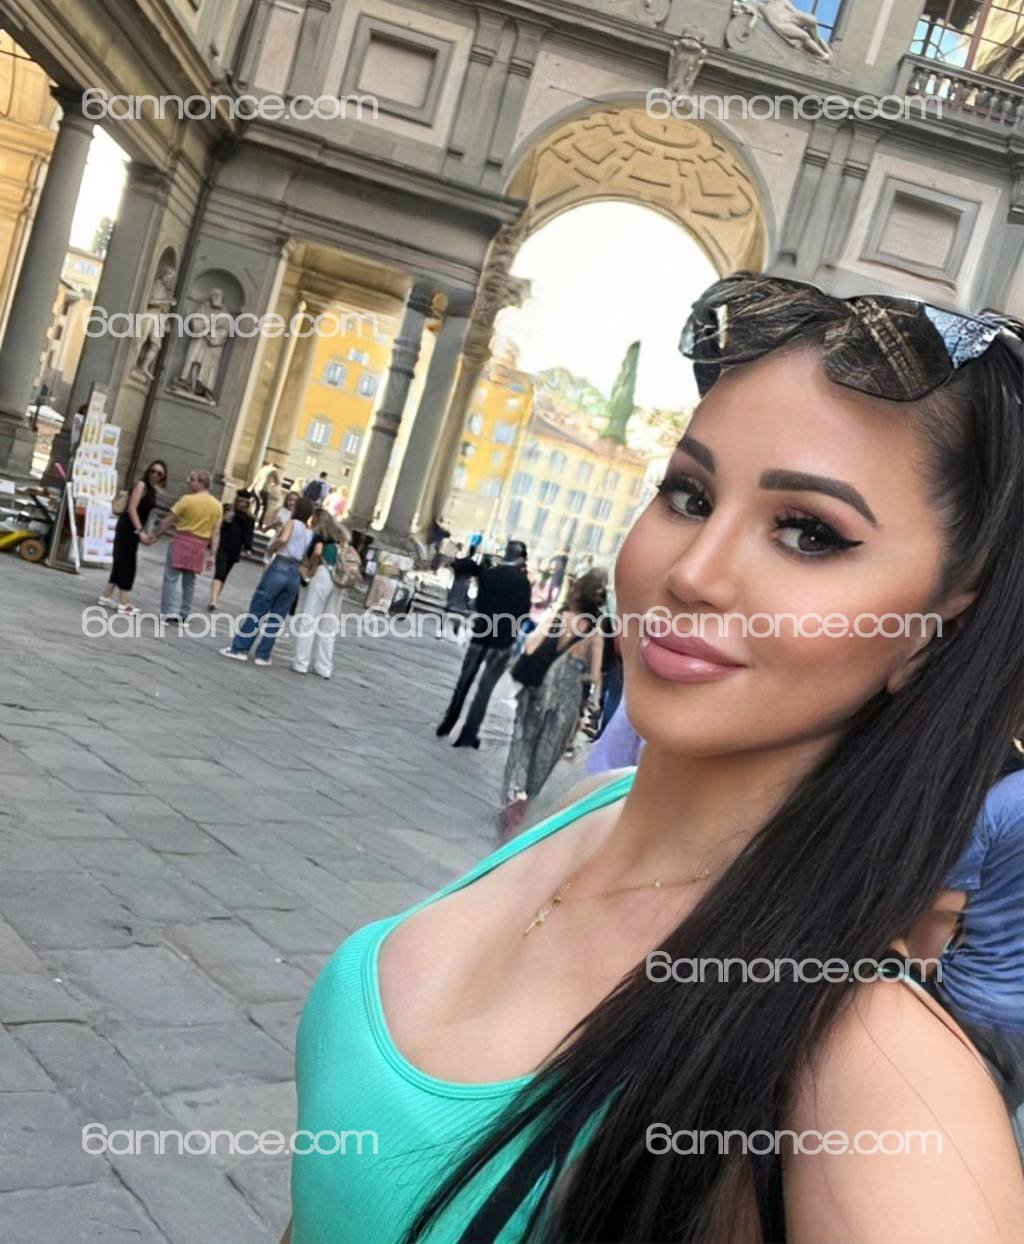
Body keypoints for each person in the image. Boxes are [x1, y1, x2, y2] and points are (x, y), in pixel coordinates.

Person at [284, 276, 1024, 1244]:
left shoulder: (885, 1088)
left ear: (936, 631)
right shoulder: (587, 806)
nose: (693, 573)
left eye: (809, 533)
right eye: (689, 494)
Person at [501, 570, 607, 835]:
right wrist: (584, 685)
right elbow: (595, 676)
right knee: (548, 751)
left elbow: (530, 648)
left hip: (540, 690)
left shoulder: (557, 617)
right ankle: (528, 802)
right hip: (568, 698)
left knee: (524, 741)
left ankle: (513, 796)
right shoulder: (596, 631)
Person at [435, 540, 532, 749]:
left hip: (481, 634)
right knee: (484, 690)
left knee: (464, 682)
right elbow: (524, 612)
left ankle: (447, 723)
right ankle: (469, 733)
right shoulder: (523, 582)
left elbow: (479, 603)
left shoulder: (491, 574)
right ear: (521, 558)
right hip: (502, 642)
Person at [220, 496, 315, 666]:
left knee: (259, 608)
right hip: (294, 571)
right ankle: (263, 654)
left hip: (281, 564)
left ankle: (240, 648)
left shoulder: (292, 523)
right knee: (278, 616)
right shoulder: (310, 531)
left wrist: (271, 549)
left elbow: (283, 539)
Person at [291, 512, 362, 679]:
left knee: (309, 618)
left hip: (323, 574)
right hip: (339, 578)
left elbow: (317, 553)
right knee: (329, 623)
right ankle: (324, 667)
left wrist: (310, 570)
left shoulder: (320, 535)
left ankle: (301, 663)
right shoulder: (342, 538)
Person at [151, 468, 222, 622]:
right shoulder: (217, 506)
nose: (189, 482)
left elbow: (168, 520)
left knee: (171, 578)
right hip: (200, 545)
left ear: (201, 483)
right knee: (189, 581)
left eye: (192, 479)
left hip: (182, 540)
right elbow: (216, 532)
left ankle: (167, 612)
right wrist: (212, 554)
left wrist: (156, 534)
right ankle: (185, 613)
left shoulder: (187, 500)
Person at [98, 459, 166, 615]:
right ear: (148, 471)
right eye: (153, 471)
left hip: (134, 528)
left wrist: (144, 531)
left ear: (163, 477)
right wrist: (140, 531)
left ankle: (106, 596)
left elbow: (145, 513)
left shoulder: (152, 490)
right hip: (128, 527)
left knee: (121, 562)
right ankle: (124, 602)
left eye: (159, 473)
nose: (155, 475)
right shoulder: (141, 485)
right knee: (128, 564)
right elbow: (132, 508)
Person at [209, 490, 256, 610]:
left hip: (235, 548)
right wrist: (225, 520)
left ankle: (216, 597)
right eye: (240, 501)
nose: (242, 504)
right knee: (219, 571)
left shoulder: (249, 518)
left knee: (224, 574)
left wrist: (248, 548)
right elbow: (217, 526)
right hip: (222, 545)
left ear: (248, 504)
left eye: (245, 502)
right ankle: (213, 600)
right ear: (236, 500)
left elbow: (248, 534)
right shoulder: (227, 509)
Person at [444, 544, 481, 638]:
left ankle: (455, 623)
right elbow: (478, 575)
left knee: (455, 596)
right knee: (466, 599)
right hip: (465, 586)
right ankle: (459, 625)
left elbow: (449, 565)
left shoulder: (460, 562)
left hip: (457, 584)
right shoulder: (474, 565)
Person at [250, 461, 279, 526]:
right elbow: (277, 482)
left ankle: (252, 519)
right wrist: (272, 484)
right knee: (264, 507)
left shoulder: (263, 469)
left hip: (257, 488)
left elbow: (256, 479)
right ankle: (259, 522)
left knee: (256, 504)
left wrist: (252, 487)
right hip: (265, 489)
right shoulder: (274, 470)